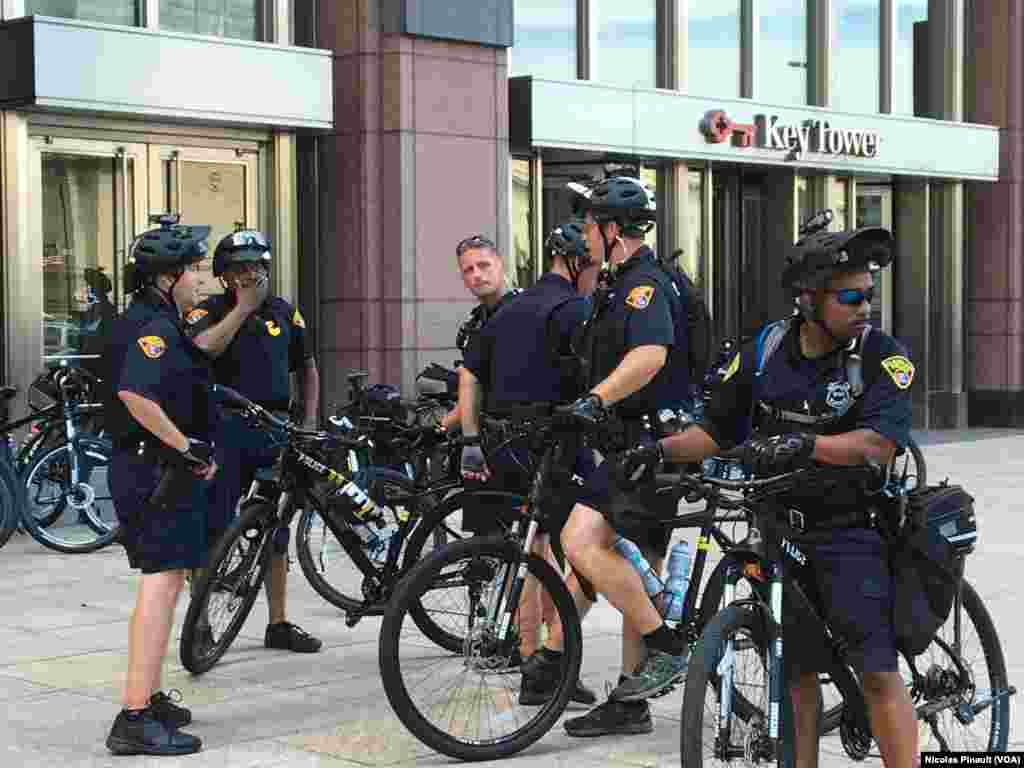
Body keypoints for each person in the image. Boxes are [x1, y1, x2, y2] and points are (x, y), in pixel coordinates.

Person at [615, 217, 918, 767]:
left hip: (851, 532)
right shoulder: (767, 349)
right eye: (850, 297)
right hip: (779, 528)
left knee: (876, 673)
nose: (865, 307)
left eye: (869, 295)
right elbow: (715, 431)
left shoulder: (881, 355)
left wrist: (806, 444)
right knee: (796, 673)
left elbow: (880, 444)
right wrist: (657, 452)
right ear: (809, 299)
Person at [554, 176, 695, 737]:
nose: (585, 234)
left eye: (590, 225)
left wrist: (596, 399)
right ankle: (631, 701)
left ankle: (667, 645)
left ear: (612, 230)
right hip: (634, 445)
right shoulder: (620, 283)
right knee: (638, 569)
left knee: (579, 539)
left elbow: (650, 354)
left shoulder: (645, 287)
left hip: (649, 448)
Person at [458, 221, 598, 705]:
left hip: (505, 445)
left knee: (532, 553)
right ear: (576, 262)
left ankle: (531, 658)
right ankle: (551, 662)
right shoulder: (575, 309)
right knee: (590, 552)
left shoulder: (507, 311)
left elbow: (469, 374)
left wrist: (470, 438)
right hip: (556, 446)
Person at [103, 217, 217, 756]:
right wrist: (185, 447)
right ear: (166, 278)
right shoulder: (151, 328)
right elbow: (135, 395)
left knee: (164, 583)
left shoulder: (153, 320)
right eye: (193, 269)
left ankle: (147, 697)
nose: (201, 279)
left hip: (150, 469)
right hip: (152, 471)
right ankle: (133, 717)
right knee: (161, 583)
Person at [187, 230, 322, 654]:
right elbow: (203, 349)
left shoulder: (285, 312)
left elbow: (307, 367)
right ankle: (200, 623)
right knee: (211, 528)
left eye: (257, 266)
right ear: (224, 275)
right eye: (241, 268)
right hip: (222, 430)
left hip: (275, 428)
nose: (251, 275)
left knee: (274, 528)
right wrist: (242, 309)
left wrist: (309, 420)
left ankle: (277, 622)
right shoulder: (207, 311)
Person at [439, 234, 520, 430]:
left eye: (484, 265)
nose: (476, 274)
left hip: (525, 432)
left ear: (500, 265)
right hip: (488, 432)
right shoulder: (475, 323)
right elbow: (469, 397)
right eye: (468, 270)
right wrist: (436, 430)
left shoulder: (526, 310)